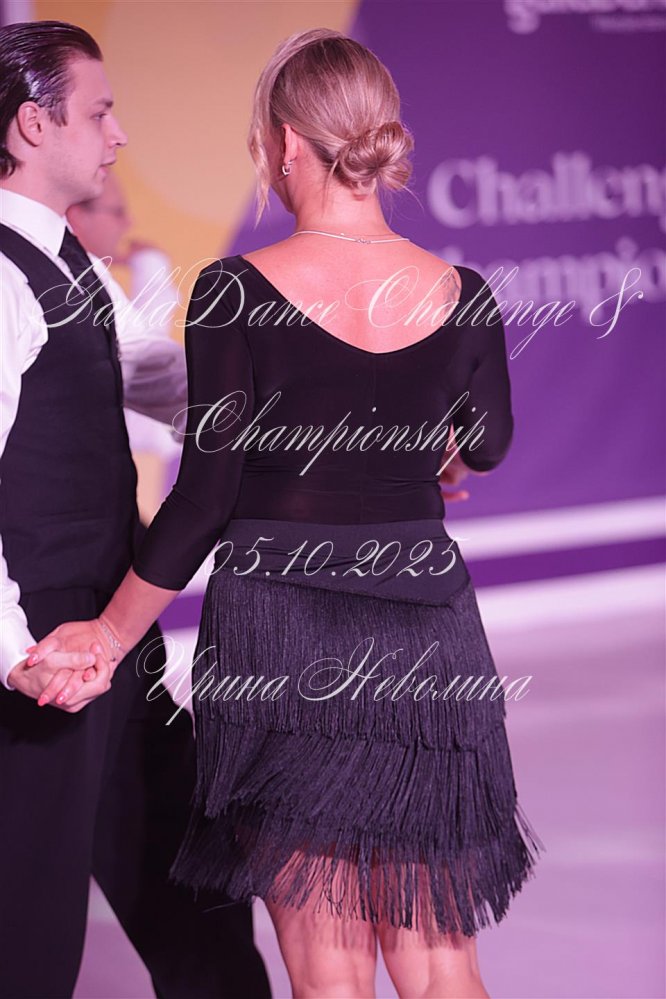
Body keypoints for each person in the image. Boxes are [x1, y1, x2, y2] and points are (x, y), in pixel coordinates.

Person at [31, 28, 544, 999]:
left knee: (328, 972)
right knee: (442, 966)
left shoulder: (235, 292)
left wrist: (109, 632)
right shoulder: (464, 295)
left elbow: (205, 498)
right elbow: (485, 444)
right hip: (427, 634)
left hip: (283, 635)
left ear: (285, 144)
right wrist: (420, 443)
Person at [0, 20, 270, 999]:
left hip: (114, 630)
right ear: (34, 124)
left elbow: (166, 382)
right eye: (101, 112)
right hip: (44, 656)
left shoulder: (70, 265)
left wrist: (356, 432)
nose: (118, 136)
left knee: (197, 893)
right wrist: (18, 656)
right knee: (27, 939)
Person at [68, 169, 182, 520]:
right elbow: (139, 381)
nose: (128, 222)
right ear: (75, 216)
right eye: (117, 211)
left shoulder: (88, 280)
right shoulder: (63, 288)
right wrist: (153, 271)